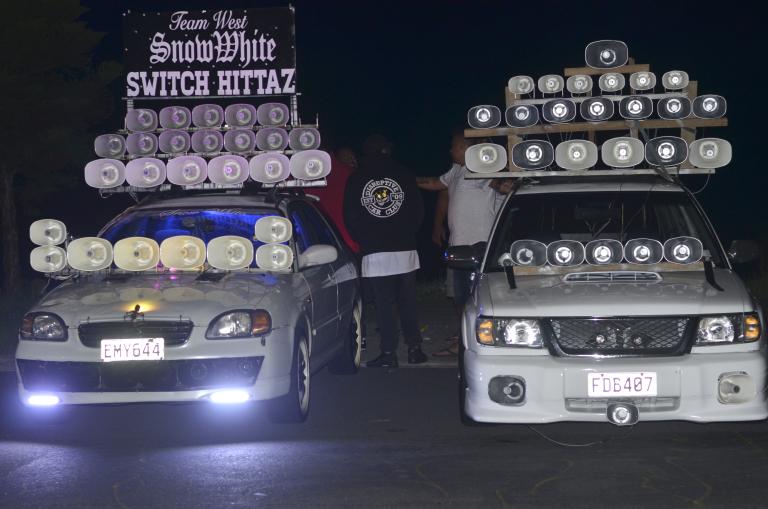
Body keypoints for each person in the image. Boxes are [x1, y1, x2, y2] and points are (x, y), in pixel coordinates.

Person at [417, 129, 511, 356]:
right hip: (458, 246)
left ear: (468, 148)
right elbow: (434, 184)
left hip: (481, 248)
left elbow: (502, 186)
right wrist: (403, 179)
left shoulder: (485, 168)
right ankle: (464, 335)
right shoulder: (457, 170)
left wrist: (507, 183)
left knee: (478, 299)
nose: (450, 150)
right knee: (459, 296)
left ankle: (469, 342)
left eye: (454, 145)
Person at [343, 134, 427, 367]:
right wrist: (406, 234)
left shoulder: (357, 178)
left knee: (384, 305)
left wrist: (365, 239)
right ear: (387, 151)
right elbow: (418, 212)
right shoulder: (405, 173)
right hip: (405, 248)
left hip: (375, 251)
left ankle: (389, 354)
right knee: (407, 302)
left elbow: (350, 216)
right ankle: (415, 349)